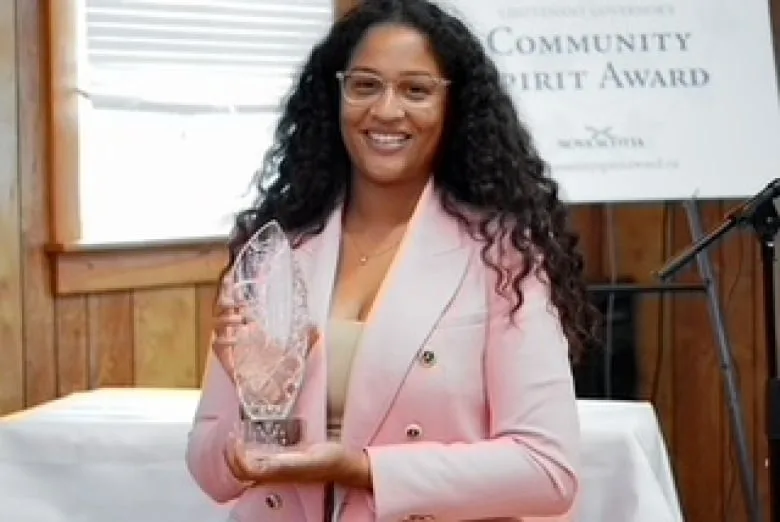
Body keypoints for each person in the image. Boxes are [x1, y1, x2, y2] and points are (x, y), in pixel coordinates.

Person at [186, 0, 599, 520]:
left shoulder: (502, 257)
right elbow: (208, 469)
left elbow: (548, 470)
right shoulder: (274, 249)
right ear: (335, 95)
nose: (385, 110)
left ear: (454, 106)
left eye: (416, 90)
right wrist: (247, 428)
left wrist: (363, 469)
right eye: (364, 85)